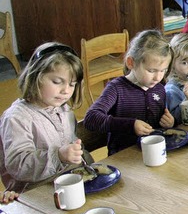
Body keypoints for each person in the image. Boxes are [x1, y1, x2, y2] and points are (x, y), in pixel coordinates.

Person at [0, 42, 84, 193]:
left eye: (72, 84)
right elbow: (16, 166)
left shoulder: (64, 110)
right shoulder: (17, 118)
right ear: (35, 77)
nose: (66, 91)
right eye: (57, 82)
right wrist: (58, 156)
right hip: (32, 193)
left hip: (63, 185)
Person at [84, 30, 174, 155]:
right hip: (123, 156)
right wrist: (130, 125)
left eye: (163, 70)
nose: (158, 77)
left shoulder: (159, 88)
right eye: (151, 70)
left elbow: (157, 125)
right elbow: (91, 118)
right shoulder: (116, 88)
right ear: (131, 62)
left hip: (152, 153)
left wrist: (168, 123)